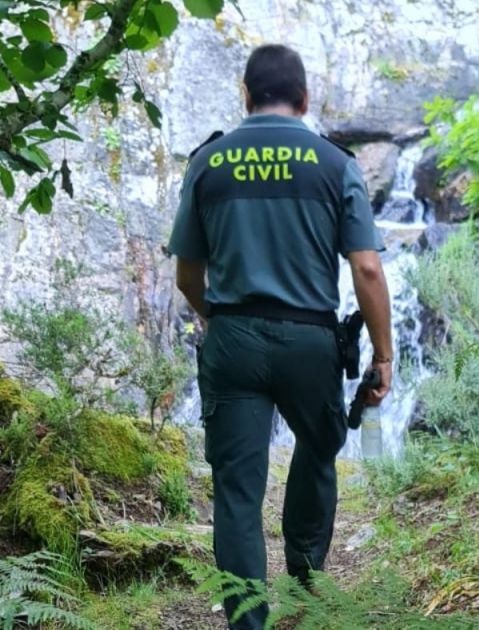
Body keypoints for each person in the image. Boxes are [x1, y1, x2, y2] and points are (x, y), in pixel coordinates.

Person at [167, 44, 394, 629]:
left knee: (238, 490)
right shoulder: (335, 164)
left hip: (234, 337)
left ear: (244, 95)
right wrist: (384, 356)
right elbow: (367, 269)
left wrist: (219, 319)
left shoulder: (209, 162)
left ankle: (249, 621)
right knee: (319, 451)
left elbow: (188, 275)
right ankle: (306, 579)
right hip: (310, 343)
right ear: (305, 98)